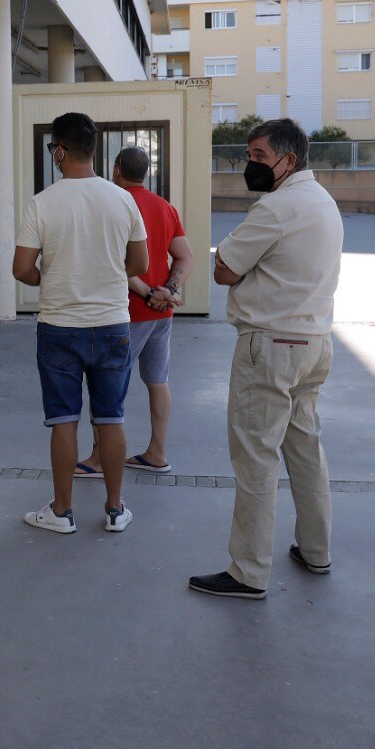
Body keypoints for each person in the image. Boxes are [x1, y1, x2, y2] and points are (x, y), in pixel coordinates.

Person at [190, 117, 342, 600]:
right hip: (313, 344)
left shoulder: (276, 209)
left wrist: (234, 265)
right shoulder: (322, 202)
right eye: (249, 156)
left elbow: (223, 270)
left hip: (270, 346)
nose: (250, 165)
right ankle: (316, 550)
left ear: (288, 159)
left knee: (255, 457)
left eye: (259, 157)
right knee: (305, 450)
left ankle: (248, 572)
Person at [11, 111, 148, 535]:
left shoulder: (43, 201)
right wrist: (105, 273)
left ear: (62, 150)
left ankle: (62, 511)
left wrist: (49, 276)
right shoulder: (122, 198)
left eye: (54, 148)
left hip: (58, 326)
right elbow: (141, 263)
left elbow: (21, 269)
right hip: (112, 324)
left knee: (63, 419)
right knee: (111, 418)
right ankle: (114, 509)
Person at [77, 146, 193, 478]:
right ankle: (157, 452)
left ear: (116, 170)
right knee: (158, 381)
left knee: (106, 385)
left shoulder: (112, 205)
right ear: (145, 173)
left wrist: (148, 293)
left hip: (124, 313)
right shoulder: (165, 208)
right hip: (161, 316)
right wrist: (167, 292)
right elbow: (185, 256)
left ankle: (99, 458)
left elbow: (110, 262)